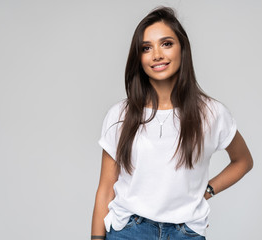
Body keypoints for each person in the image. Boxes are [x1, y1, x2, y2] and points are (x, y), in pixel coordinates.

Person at [91, 6, 253, 240]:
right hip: (128, 231)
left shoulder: (211, 113)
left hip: (185, 233)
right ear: (139, 58)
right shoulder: (120, 115)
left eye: (166, 43)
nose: (157, 54)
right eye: (146, 48)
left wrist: (206, 192)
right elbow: (105, 189)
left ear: (182, 49)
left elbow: (243, 161)